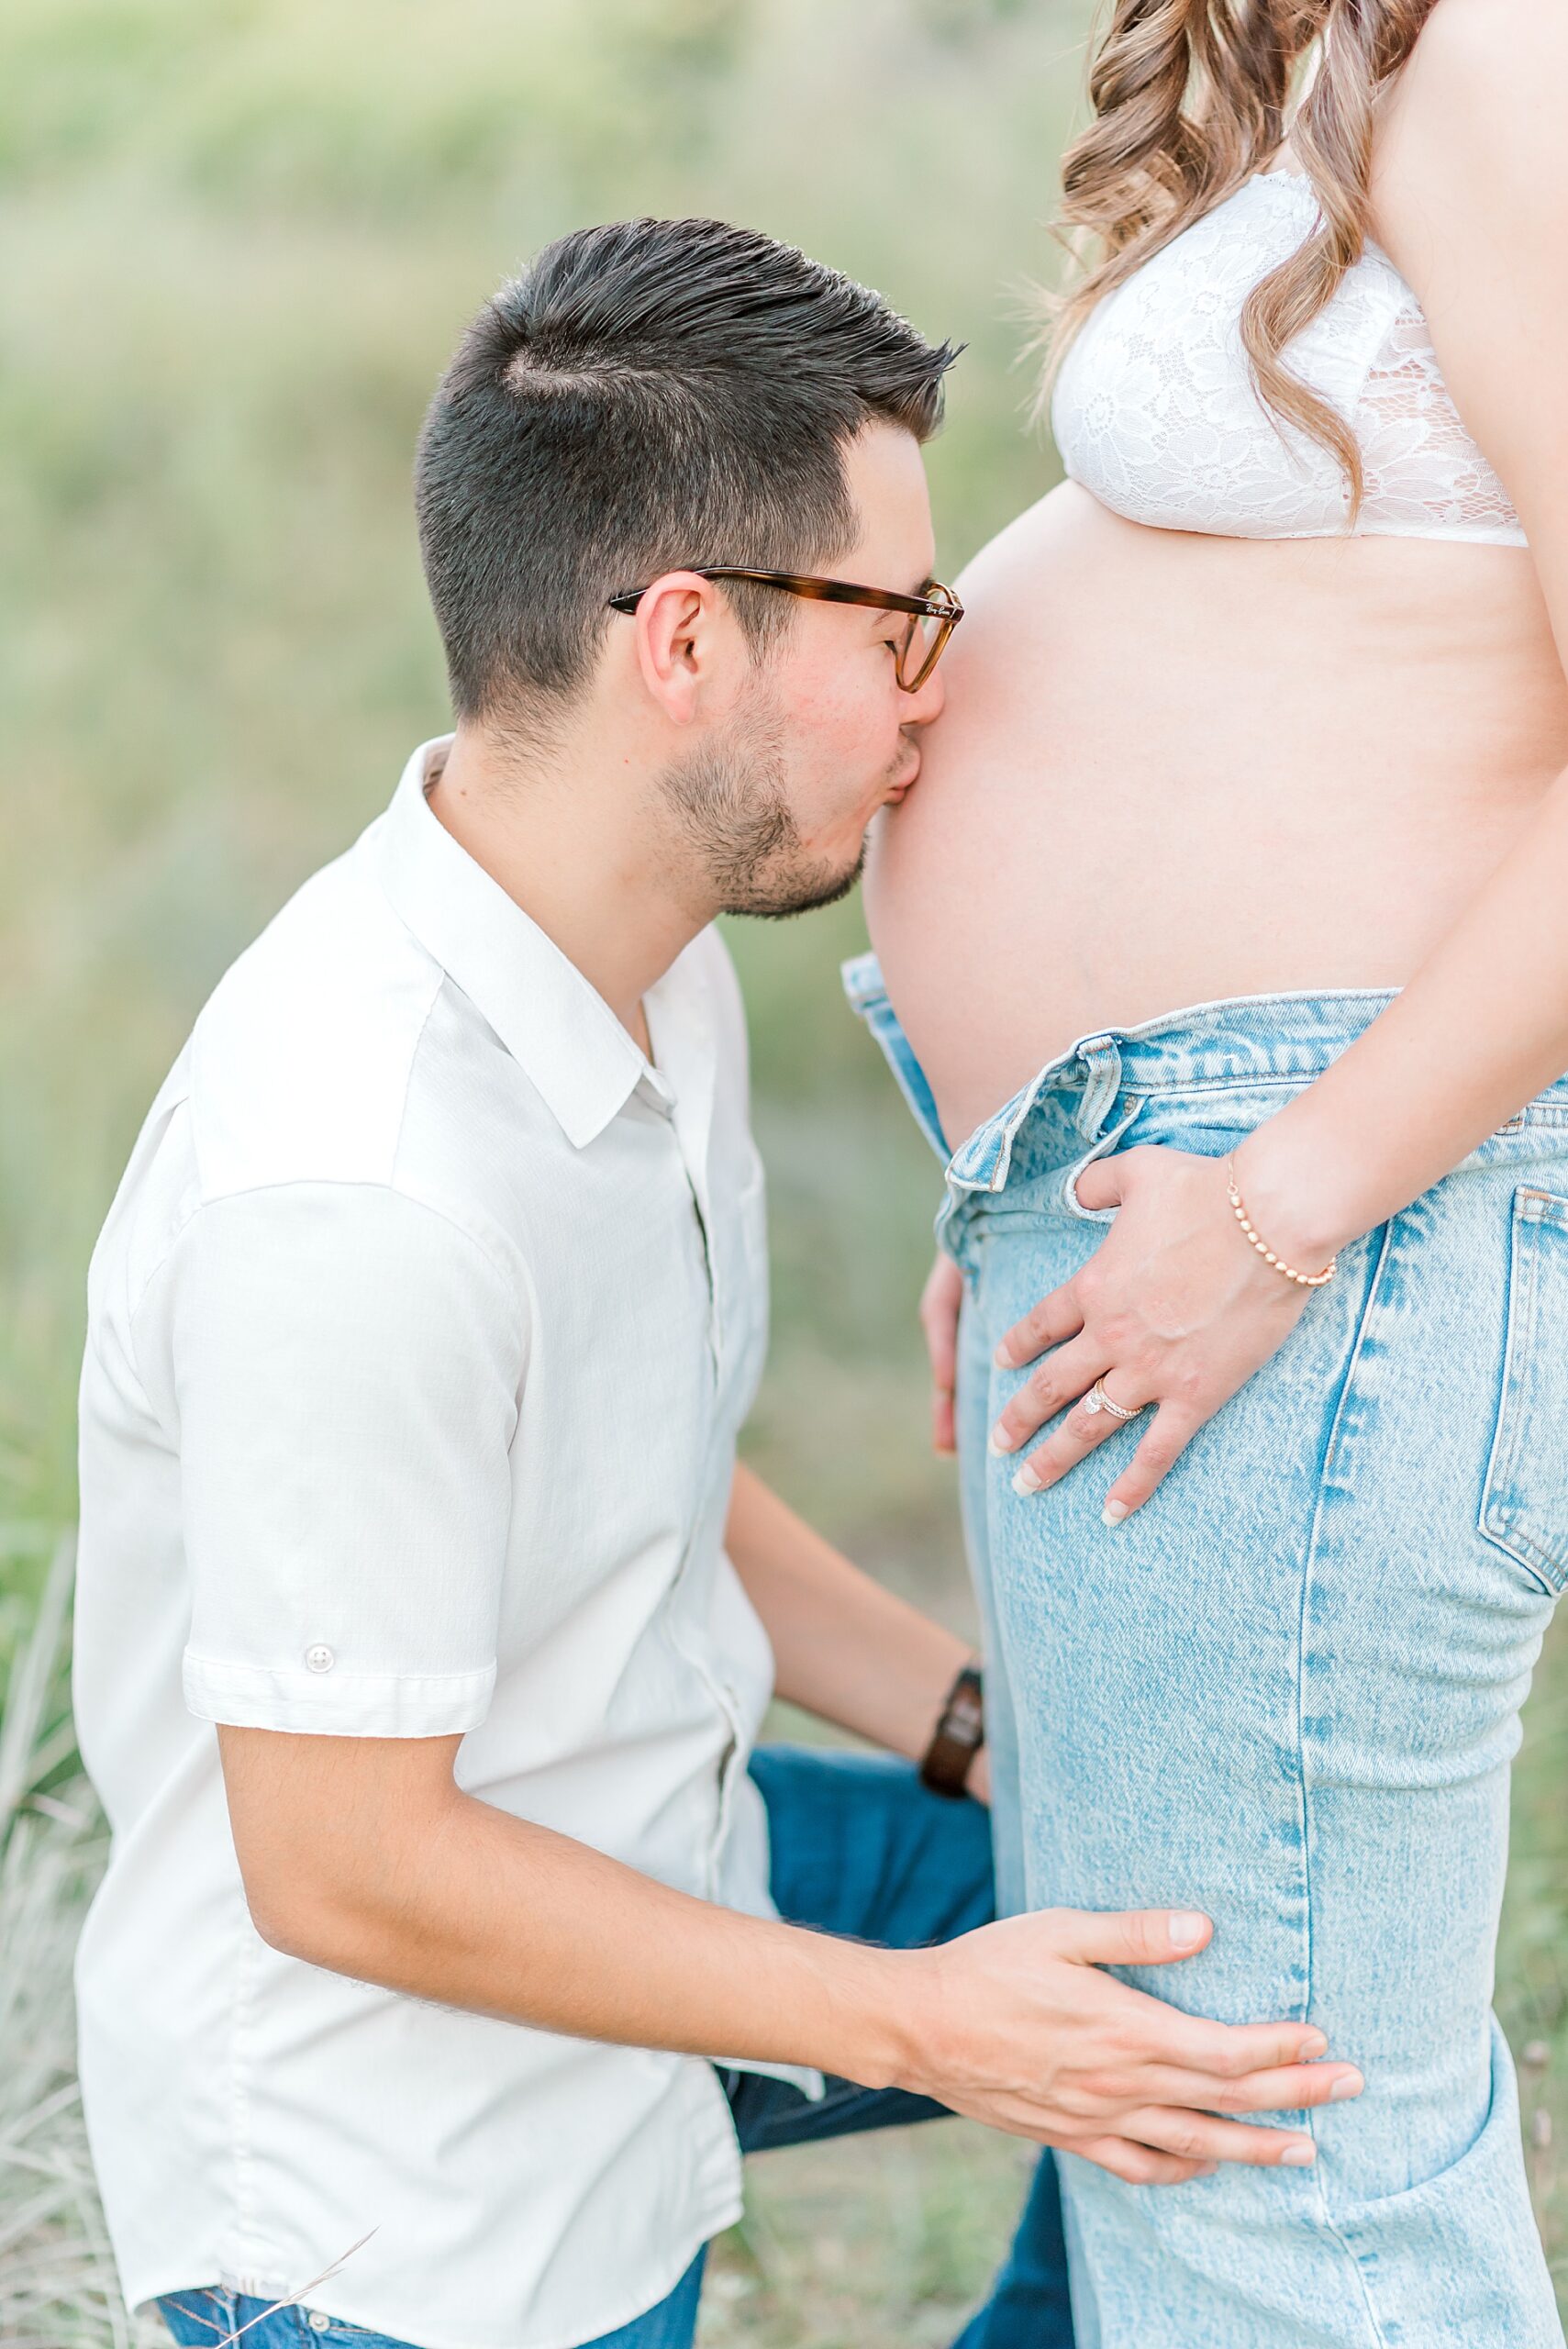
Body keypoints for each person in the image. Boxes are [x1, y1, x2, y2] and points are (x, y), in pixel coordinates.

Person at [71, 220, 1356, 2349]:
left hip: (677, 1857)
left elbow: (642, 1474)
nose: (939, 681)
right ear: (686, 641)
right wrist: (921, 2023)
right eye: (903, 614)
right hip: (403, 2230)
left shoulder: (650, 958)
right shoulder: (355, 1188)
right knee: (1047, 2019)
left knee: (1194, 1958)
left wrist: (978, 1736)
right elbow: (348, 1861)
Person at [849, 0, 1568, 2343]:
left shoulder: (1502, 53)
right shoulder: (1331, 55)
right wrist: (1030, 1162)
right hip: (1202, 1195)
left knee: (1277, 2190)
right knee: (1205, 2157)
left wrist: (1276, 1205)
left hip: (1321, 1208)